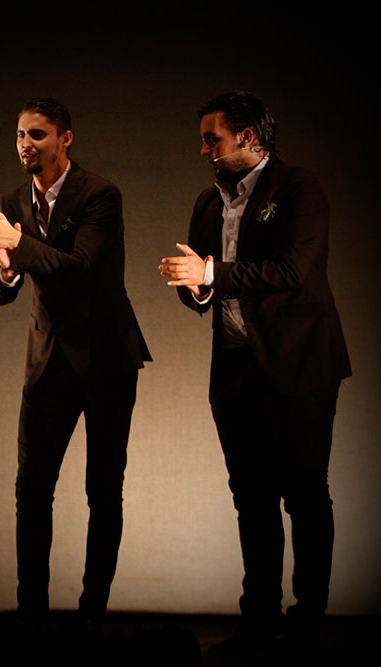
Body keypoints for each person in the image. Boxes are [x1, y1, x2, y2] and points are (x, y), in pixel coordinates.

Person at [159, 91, 350, 655]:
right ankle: (259, 622)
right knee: (251, 497)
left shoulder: (298, 188)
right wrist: (196, 288)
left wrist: (211, 274)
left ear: (247, 136)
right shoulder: (208, 203)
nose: (203, 150)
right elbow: (202, 285)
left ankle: (307, 625)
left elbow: (290, 271)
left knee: (305, 494)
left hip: (299, 363)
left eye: (211, 139)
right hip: (236, 367)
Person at [0, 98, 150, 626]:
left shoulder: (100, 195)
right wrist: (7, 271)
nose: (25, 144)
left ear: (65, 139)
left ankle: (93, 614)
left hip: (106, 359)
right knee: (31, 489)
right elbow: (4, 288)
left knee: (103, 490)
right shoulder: (13, 200)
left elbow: (81, 267)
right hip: (48, 359)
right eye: (20, 135)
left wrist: (18, 244)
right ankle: (33, 616)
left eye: (38, 134)